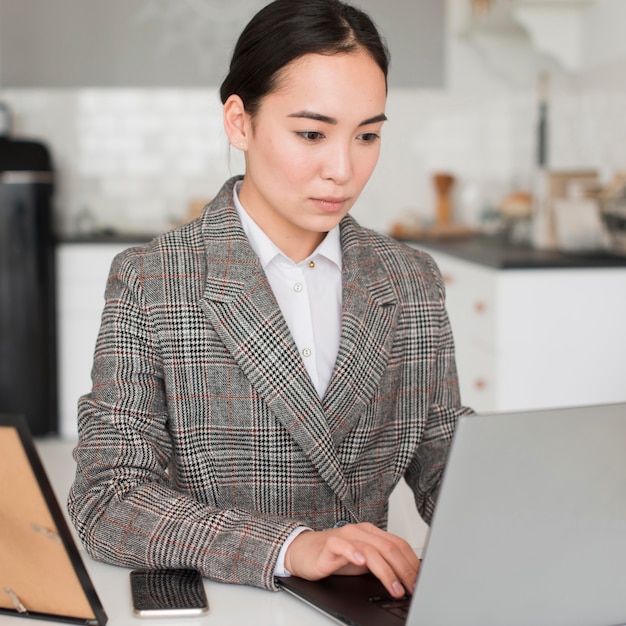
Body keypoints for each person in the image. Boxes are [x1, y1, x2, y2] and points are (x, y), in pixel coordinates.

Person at [68, 0, 473, 600]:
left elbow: (446, 464)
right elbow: (108, 501)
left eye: (367, 135)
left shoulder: (410, 278)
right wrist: (289, 546)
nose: (343, 169)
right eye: (312, 133)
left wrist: (532, 511)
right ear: (239, 122)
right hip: (229, 603)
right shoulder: (152, 280)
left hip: (363, 607)